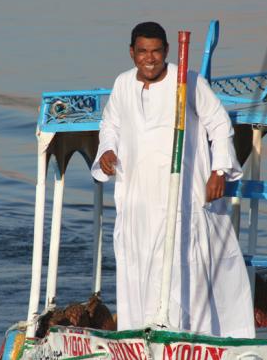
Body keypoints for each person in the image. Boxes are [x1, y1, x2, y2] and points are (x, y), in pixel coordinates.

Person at [91, 21, 254, 338]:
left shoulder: (188, 82)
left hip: (180, 200)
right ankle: (140, 338)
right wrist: (107, 152)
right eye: (142, 52)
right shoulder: (123, 84)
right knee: (137, 273)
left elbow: (219, 125)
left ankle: (187, 339)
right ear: (132, 53)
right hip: (137, 203)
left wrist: (219, 169)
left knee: (182, 274)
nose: (149, 58)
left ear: (166, 51)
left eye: (155, 51)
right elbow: (109, 125)